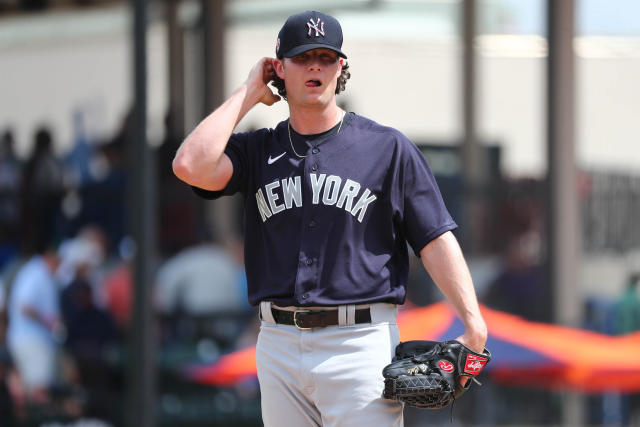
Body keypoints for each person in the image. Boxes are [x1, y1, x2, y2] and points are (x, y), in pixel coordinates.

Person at [173, 10, 487, 426]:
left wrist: (472, 321)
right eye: (303, 58)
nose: (315, 66)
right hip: (278, 342)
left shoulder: (387, 148)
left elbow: (434, 237)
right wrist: (248, 92)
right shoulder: (257, 151)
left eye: (326, 56)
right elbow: (189, 164)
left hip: (358, 342)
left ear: (341, 67)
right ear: (279, 69)